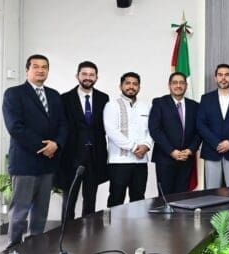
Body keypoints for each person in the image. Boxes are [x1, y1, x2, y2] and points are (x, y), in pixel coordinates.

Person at [2, 54, 67, 247]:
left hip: (48, 163)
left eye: (44, 67)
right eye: (36, 66)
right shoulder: (14, 94)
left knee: (41, 211)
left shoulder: (54, 95)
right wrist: (43, 147)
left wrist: (56, 144)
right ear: (27, 70)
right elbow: (15, 127)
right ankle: (13, 248)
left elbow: (63, 124)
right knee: (20, 210)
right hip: (25, 162)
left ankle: (35, 247)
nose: (40, 70)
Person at [58, 60, 109, 219]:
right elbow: (61, 126)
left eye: (91, 75)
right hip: (72, 155)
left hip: (95, 156)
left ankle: (89, 231)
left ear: (96, 78)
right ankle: (67, 230)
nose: (88, 77)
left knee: (90, 199)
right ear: (77, 76)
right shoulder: (65, 98)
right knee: (69, 199)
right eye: (84, 74)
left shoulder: (103, 98)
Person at [104, 72, 153, 207]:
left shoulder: (145, 106)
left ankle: (136, 222)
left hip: (140, 161)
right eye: (128, 83)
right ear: (121, 86)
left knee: (138, 199)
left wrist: (146, 145)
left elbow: (152, 129)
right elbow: (111, 131)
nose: (131, 86)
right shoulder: (112, 105)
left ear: (139, 87)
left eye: (135, 84)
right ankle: (113, 222)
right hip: (119, 162)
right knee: (116, 198)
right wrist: (134, 147)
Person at [196, 64, 229, 188]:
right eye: (220, 75)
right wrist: (216, 143)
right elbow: (200, 124)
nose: (223, 78)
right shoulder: (206, 98)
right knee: (211, 192)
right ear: (215, 78)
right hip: (212, 151)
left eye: (227, 75)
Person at [148, 72, 201, 194]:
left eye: (182, 83)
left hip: (186, 159)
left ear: (186, 85)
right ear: (169, 85)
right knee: (165, 197)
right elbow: (155, 129)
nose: (178, 85)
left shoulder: (195, 106)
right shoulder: (159, 103)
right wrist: (172, 151)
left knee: (182, 197)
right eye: (175, 83)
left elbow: (199, 131)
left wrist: (190, 150)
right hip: (165, 158)